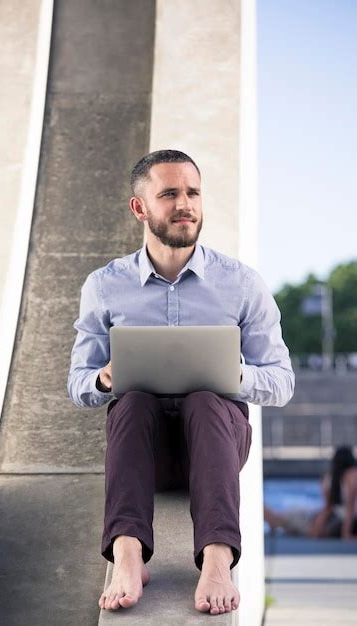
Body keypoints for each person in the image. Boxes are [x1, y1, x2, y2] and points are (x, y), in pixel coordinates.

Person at [67, 149, 295, 616]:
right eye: (168, 193)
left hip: (215, 443)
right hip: (143, 450)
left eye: (192, 192)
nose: (184, 204)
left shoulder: (242, 284)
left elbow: (281, 382)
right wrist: (105, 378)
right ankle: (128, 556)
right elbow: (78, 382)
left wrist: (232, 374)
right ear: (140, 208)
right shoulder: (105, 286)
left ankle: (216, 558)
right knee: (131, 403)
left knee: (207, 400)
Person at [264, 446, 357, 539]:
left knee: (289, 519)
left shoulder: (330, 478)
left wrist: (315, 529)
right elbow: (347, 508)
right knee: (291, 519)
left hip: (334, 520)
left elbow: (331, 508)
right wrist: (346, 533)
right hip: (337, 521)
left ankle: (272, 519)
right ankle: (272, 519)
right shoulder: (348, 475)